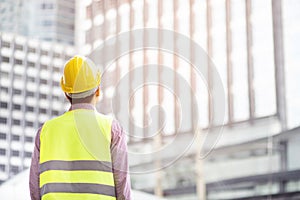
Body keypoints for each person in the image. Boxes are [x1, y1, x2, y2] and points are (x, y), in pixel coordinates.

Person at [29, 55, 131, 200]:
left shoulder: (45, 132)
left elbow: (35, 187)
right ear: (98, 90)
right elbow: (122, 186)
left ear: (66, 94)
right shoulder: (112, 129)